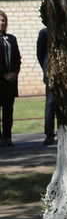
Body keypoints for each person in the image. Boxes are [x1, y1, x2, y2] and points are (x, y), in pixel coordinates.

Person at [0, 11, 20, 147]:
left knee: (8, 110)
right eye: (0, 20)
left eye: (3, 20)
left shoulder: (11, 39)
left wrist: (14, 73)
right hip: (0, 80)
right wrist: (3, 75)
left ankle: (8, 136)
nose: (1, 23)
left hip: (10, 81)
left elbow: (18, 59)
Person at [36, 25, 54, 146]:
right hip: (50, 74)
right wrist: (46, 70)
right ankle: (49, 134)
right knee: (50, 103)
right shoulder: (44, 33)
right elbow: (40, 54)